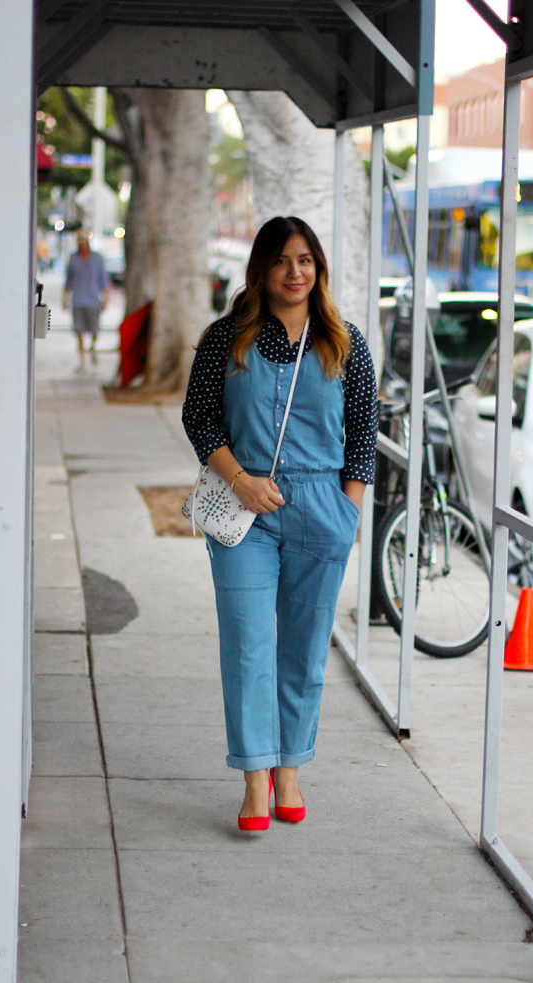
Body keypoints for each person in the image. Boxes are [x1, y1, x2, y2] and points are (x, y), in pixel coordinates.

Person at [182, 216, 378, 832]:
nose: (295, 272)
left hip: (323, 508)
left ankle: (289, 767)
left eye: (306, 261)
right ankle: (254, 781)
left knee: (304, 650)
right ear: (261, 269)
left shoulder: (345, 341)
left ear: (317, 269)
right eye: (282, 261)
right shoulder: (227, 337)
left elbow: (365, 437)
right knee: (247, 646)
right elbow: (199, 417)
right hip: (245, 509)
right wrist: (239, 479)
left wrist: (347, 512)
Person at [63, 229, 110, 368]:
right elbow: (68, 280)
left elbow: (103, 281)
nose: (82, 244)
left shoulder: (98, 259)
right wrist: (64, 298)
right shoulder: (73, 259)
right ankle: (82, 360)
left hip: (93, 300)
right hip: (78, 300)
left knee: (94, 329)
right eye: (80, 242)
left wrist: (105, 299)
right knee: (79, 330)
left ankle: (93, 348)